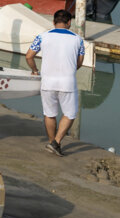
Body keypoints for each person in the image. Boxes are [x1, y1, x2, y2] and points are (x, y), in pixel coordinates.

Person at [26, 10, 85, 157]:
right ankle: (56, 142)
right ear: (69, 22)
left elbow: (29, 56)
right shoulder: (78, 39)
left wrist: (34, 70)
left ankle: (53, 142)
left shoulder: (42, 36)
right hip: (68, 83)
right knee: (70, 114)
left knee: (49, 114)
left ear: (53, 22)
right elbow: (80, 62)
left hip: (47, 82)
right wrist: (70, 69)